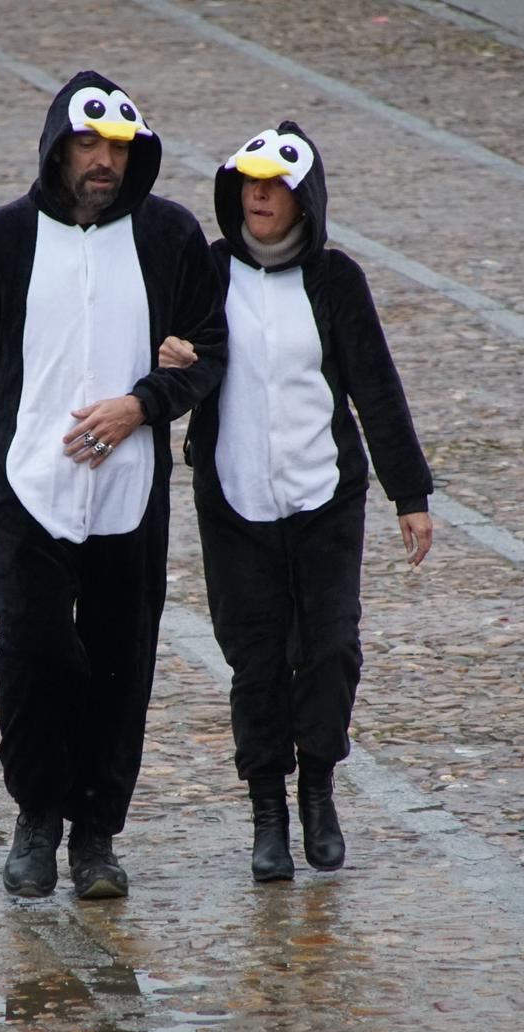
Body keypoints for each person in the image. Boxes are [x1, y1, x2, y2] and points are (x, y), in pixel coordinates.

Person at [0, 72, 227, 900]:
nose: (103, 164)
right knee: (36, 656)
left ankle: (95, 837)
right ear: (57, 146)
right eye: (88, 145)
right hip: (28, 489)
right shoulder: (1, 240)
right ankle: (36, 820)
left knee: (123, 664)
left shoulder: (169, 236)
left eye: (117, 149)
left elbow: (212, 352)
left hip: (130, 495)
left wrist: (143, 405)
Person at [158, 122, 433, 882]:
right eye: (249, 186)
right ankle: (267, 814)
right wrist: (165, 356)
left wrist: (409, 492)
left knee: (330, 648)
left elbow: (375, 386)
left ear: (303, 200)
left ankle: (318, 789)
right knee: (255, 658)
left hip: (325, 497)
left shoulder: (336, 280)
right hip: (234, 499)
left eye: (275, 187)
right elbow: (165, 358)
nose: (260, 198)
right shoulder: (207, 272)